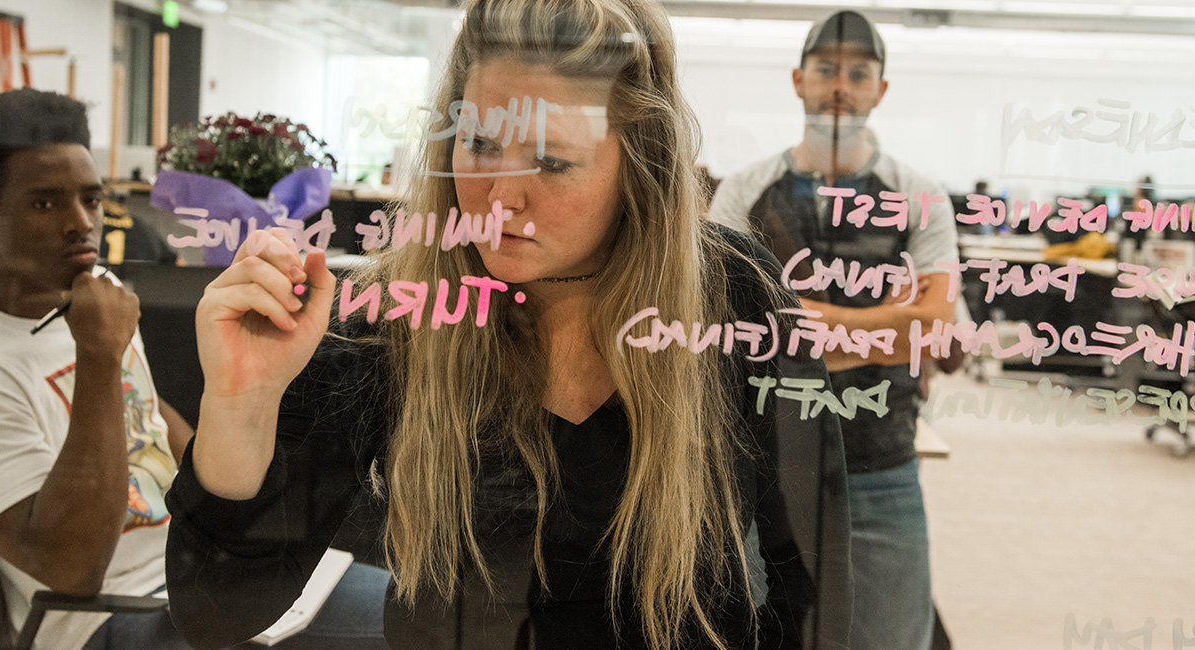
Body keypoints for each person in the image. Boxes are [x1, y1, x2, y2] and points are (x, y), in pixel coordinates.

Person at [163, 0, 851, 649]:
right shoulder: (391, 317)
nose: (501, 195)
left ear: (639, 162)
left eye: (551, 161)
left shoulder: (735, 295)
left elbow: (814, 589)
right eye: (481, 143)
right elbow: (218, 613)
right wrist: (241, 404)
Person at [0, 88, 389, 650]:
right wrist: (98, 357)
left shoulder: (99, 298)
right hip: (104, 620)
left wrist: (244, 521)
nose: (79, 223)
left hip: (188, 577)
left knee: (403, 612)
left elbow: (150, 422)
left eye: (91, 199)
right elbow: (72, 571)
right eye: (46, 203)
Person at [708, 10, 959, 650]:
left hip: (881, 464)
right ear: (798, 80)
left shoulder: (919, 196)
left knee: (890, 640)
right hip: (764, 465)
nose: (840, 85)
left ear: (881, 88)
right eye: (825, 70)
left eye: (858, 72)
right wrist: (883, 327)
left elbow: (934, 327)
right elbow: (718, 330)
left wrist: (814, 326)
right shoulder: (744, 191)